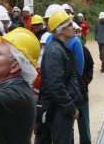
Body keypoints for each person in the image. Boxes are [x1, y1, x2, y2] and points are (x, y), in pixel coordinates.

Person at [36, 10, 85, 144]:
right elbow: (56, 86)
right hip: (59, 109)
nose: (74, 27)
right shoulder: (55, 52)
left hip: (61, 108)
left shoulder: (59, 48)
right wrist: (71, 108)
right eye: (69, 25)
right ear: (60, 30)